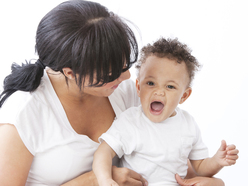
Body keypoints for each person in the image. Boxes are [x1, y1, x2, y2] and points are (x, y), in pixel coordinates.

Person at [0, 0, 227, 185]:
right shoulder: (24, 113)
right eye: (112, 74)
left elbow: (169, 161)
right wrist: (93, 180)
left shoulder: (127, 93)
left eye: (125, 66)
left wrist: (208, 180)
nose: (127, 78)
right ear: (70, 72)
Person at [92, 37, 239, 186]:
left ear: (184, 95)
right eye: (150, 83)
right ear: (138, 87)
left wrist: (217, 161)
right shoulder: (130, 121)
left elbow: (200, 167)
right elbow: (102, 153)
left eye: (170, 87)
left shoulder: (188, 124)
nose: (159, 92)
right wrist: (105, 180)